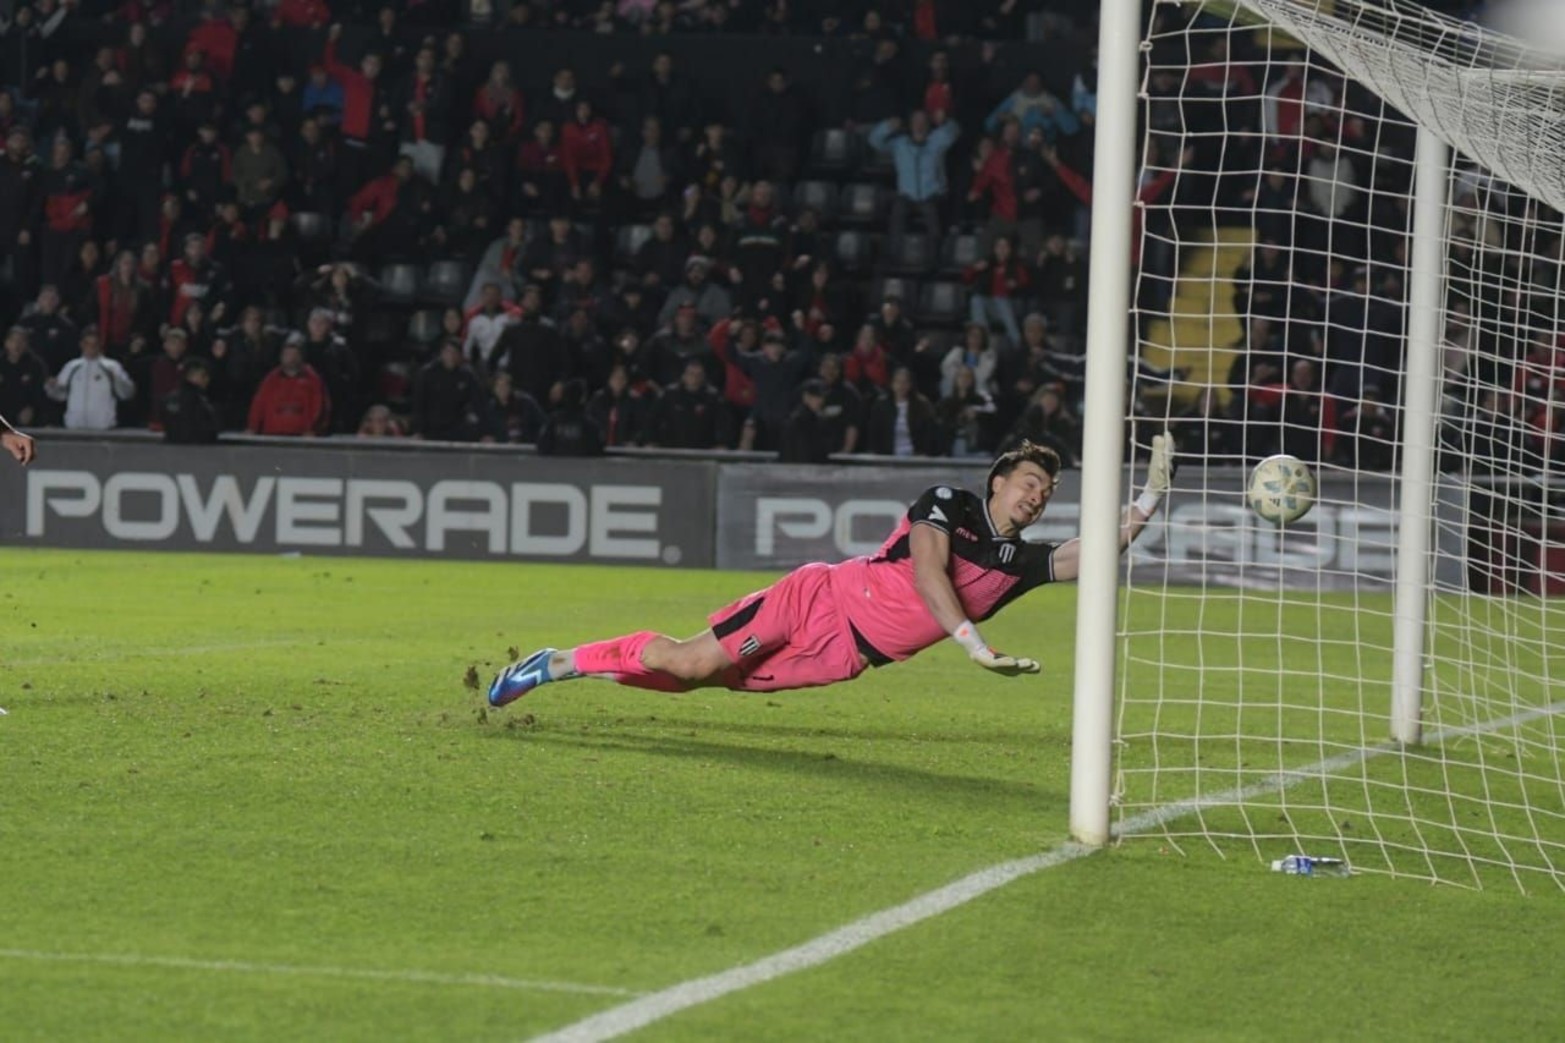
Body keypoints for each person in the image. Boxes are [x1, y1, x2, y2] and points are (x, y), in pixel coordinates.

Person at [487, 434, 1177, 706]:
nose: (1037, 495)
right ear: (997, 480)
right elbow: (931, 576)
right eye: (1028, 480)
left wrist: (1145, 498)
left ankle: (582, 664)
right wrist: (972, 644)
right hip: (817, 600)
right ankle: (555, 662)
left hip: (845, 654)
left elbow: (1091, 552)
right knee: (688, 661)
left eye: (1047, 491)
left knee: (687, 682)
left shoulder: (1018, 563)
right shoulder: (948, 503)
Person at [161, 358, 221, 444]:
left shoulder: (167, 399)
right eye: (203, 376)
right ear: (190, 377)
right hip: (198, 449)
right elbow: (213, 428)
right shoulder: (201, 401)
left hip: (171, 448)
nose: (207, 380)